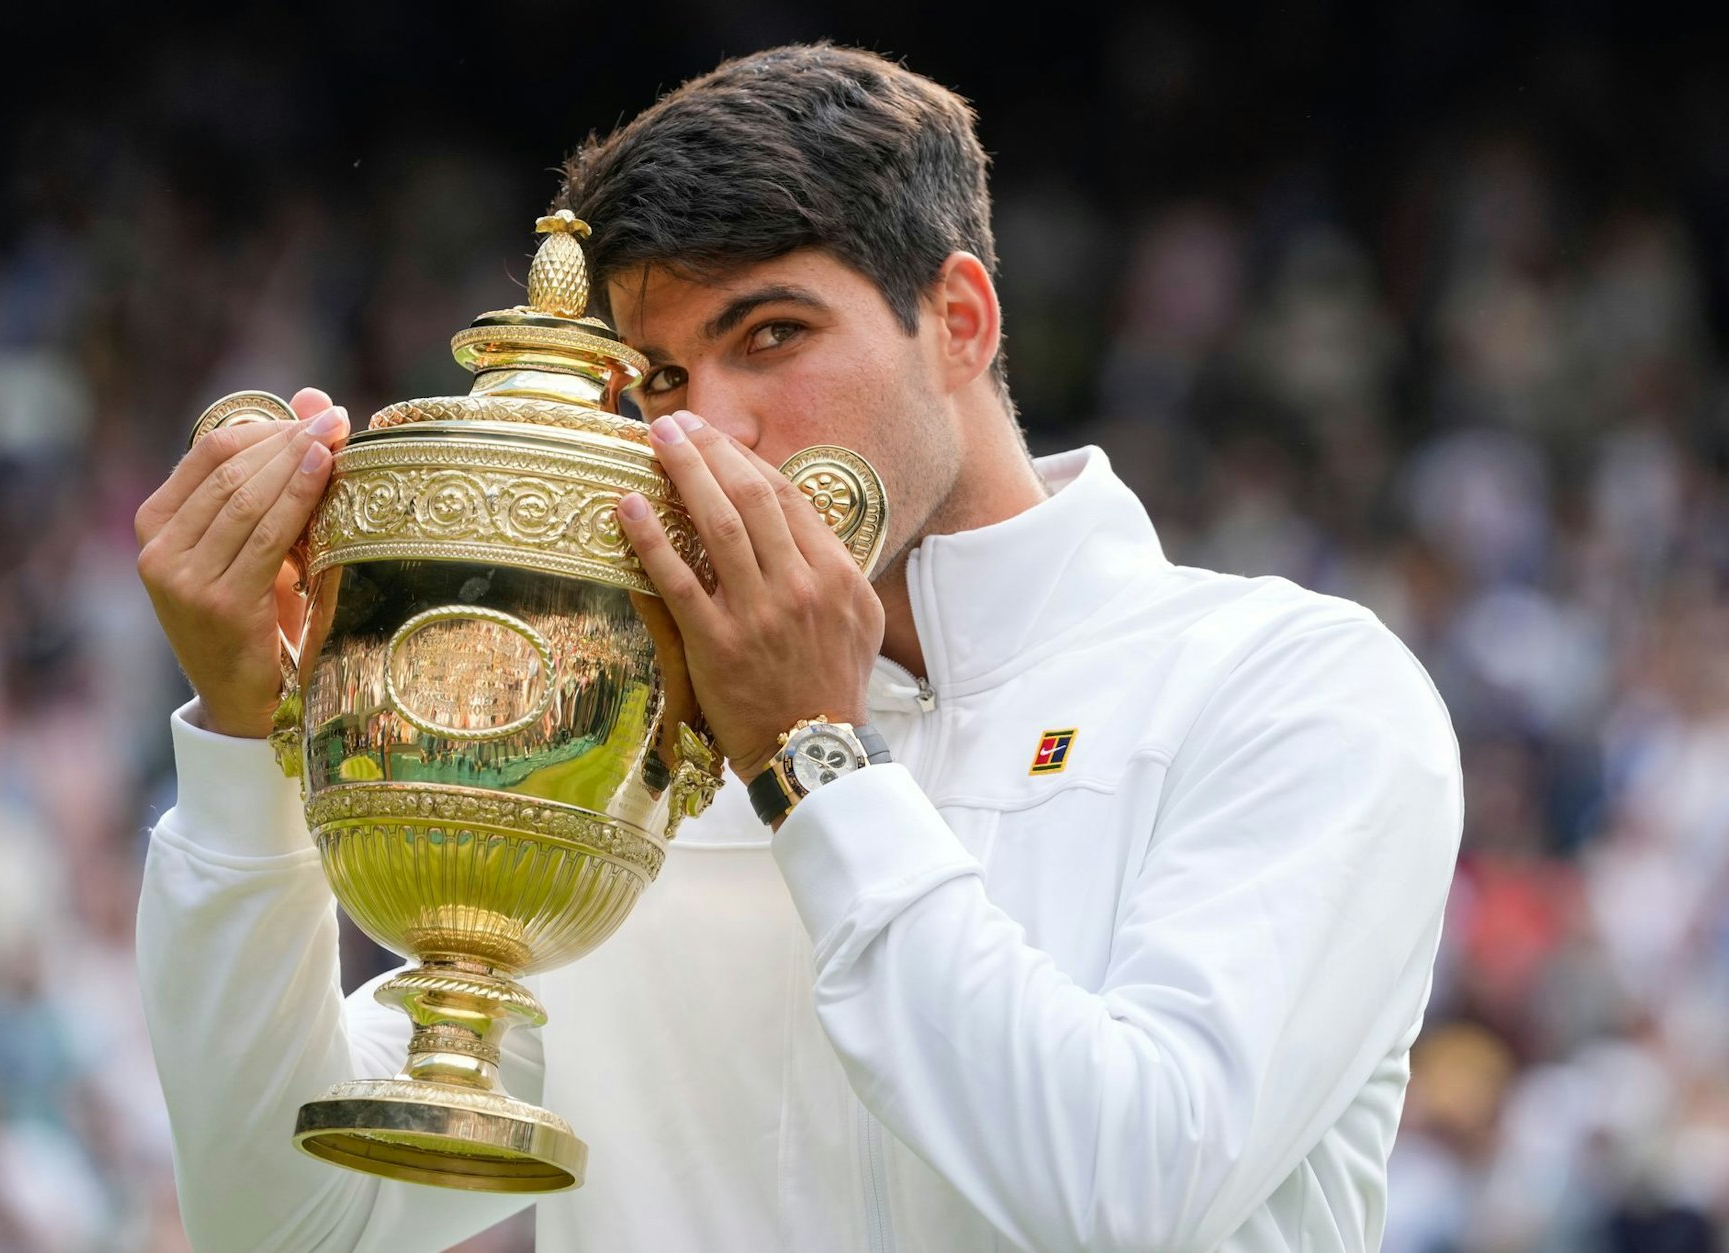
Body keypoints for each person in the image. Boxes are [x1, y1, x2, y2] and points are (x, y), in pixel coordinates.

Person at [134, 43, 1462, 1253]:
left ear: (961, 322)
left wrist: (816, 764)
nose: (707, 435)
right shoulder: (626, 746)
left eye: (771, 336)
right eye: (654, 383)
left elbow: (1134, 1187)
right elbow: (289, 1220)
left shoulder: (1294, 686)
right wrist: (247, 740)